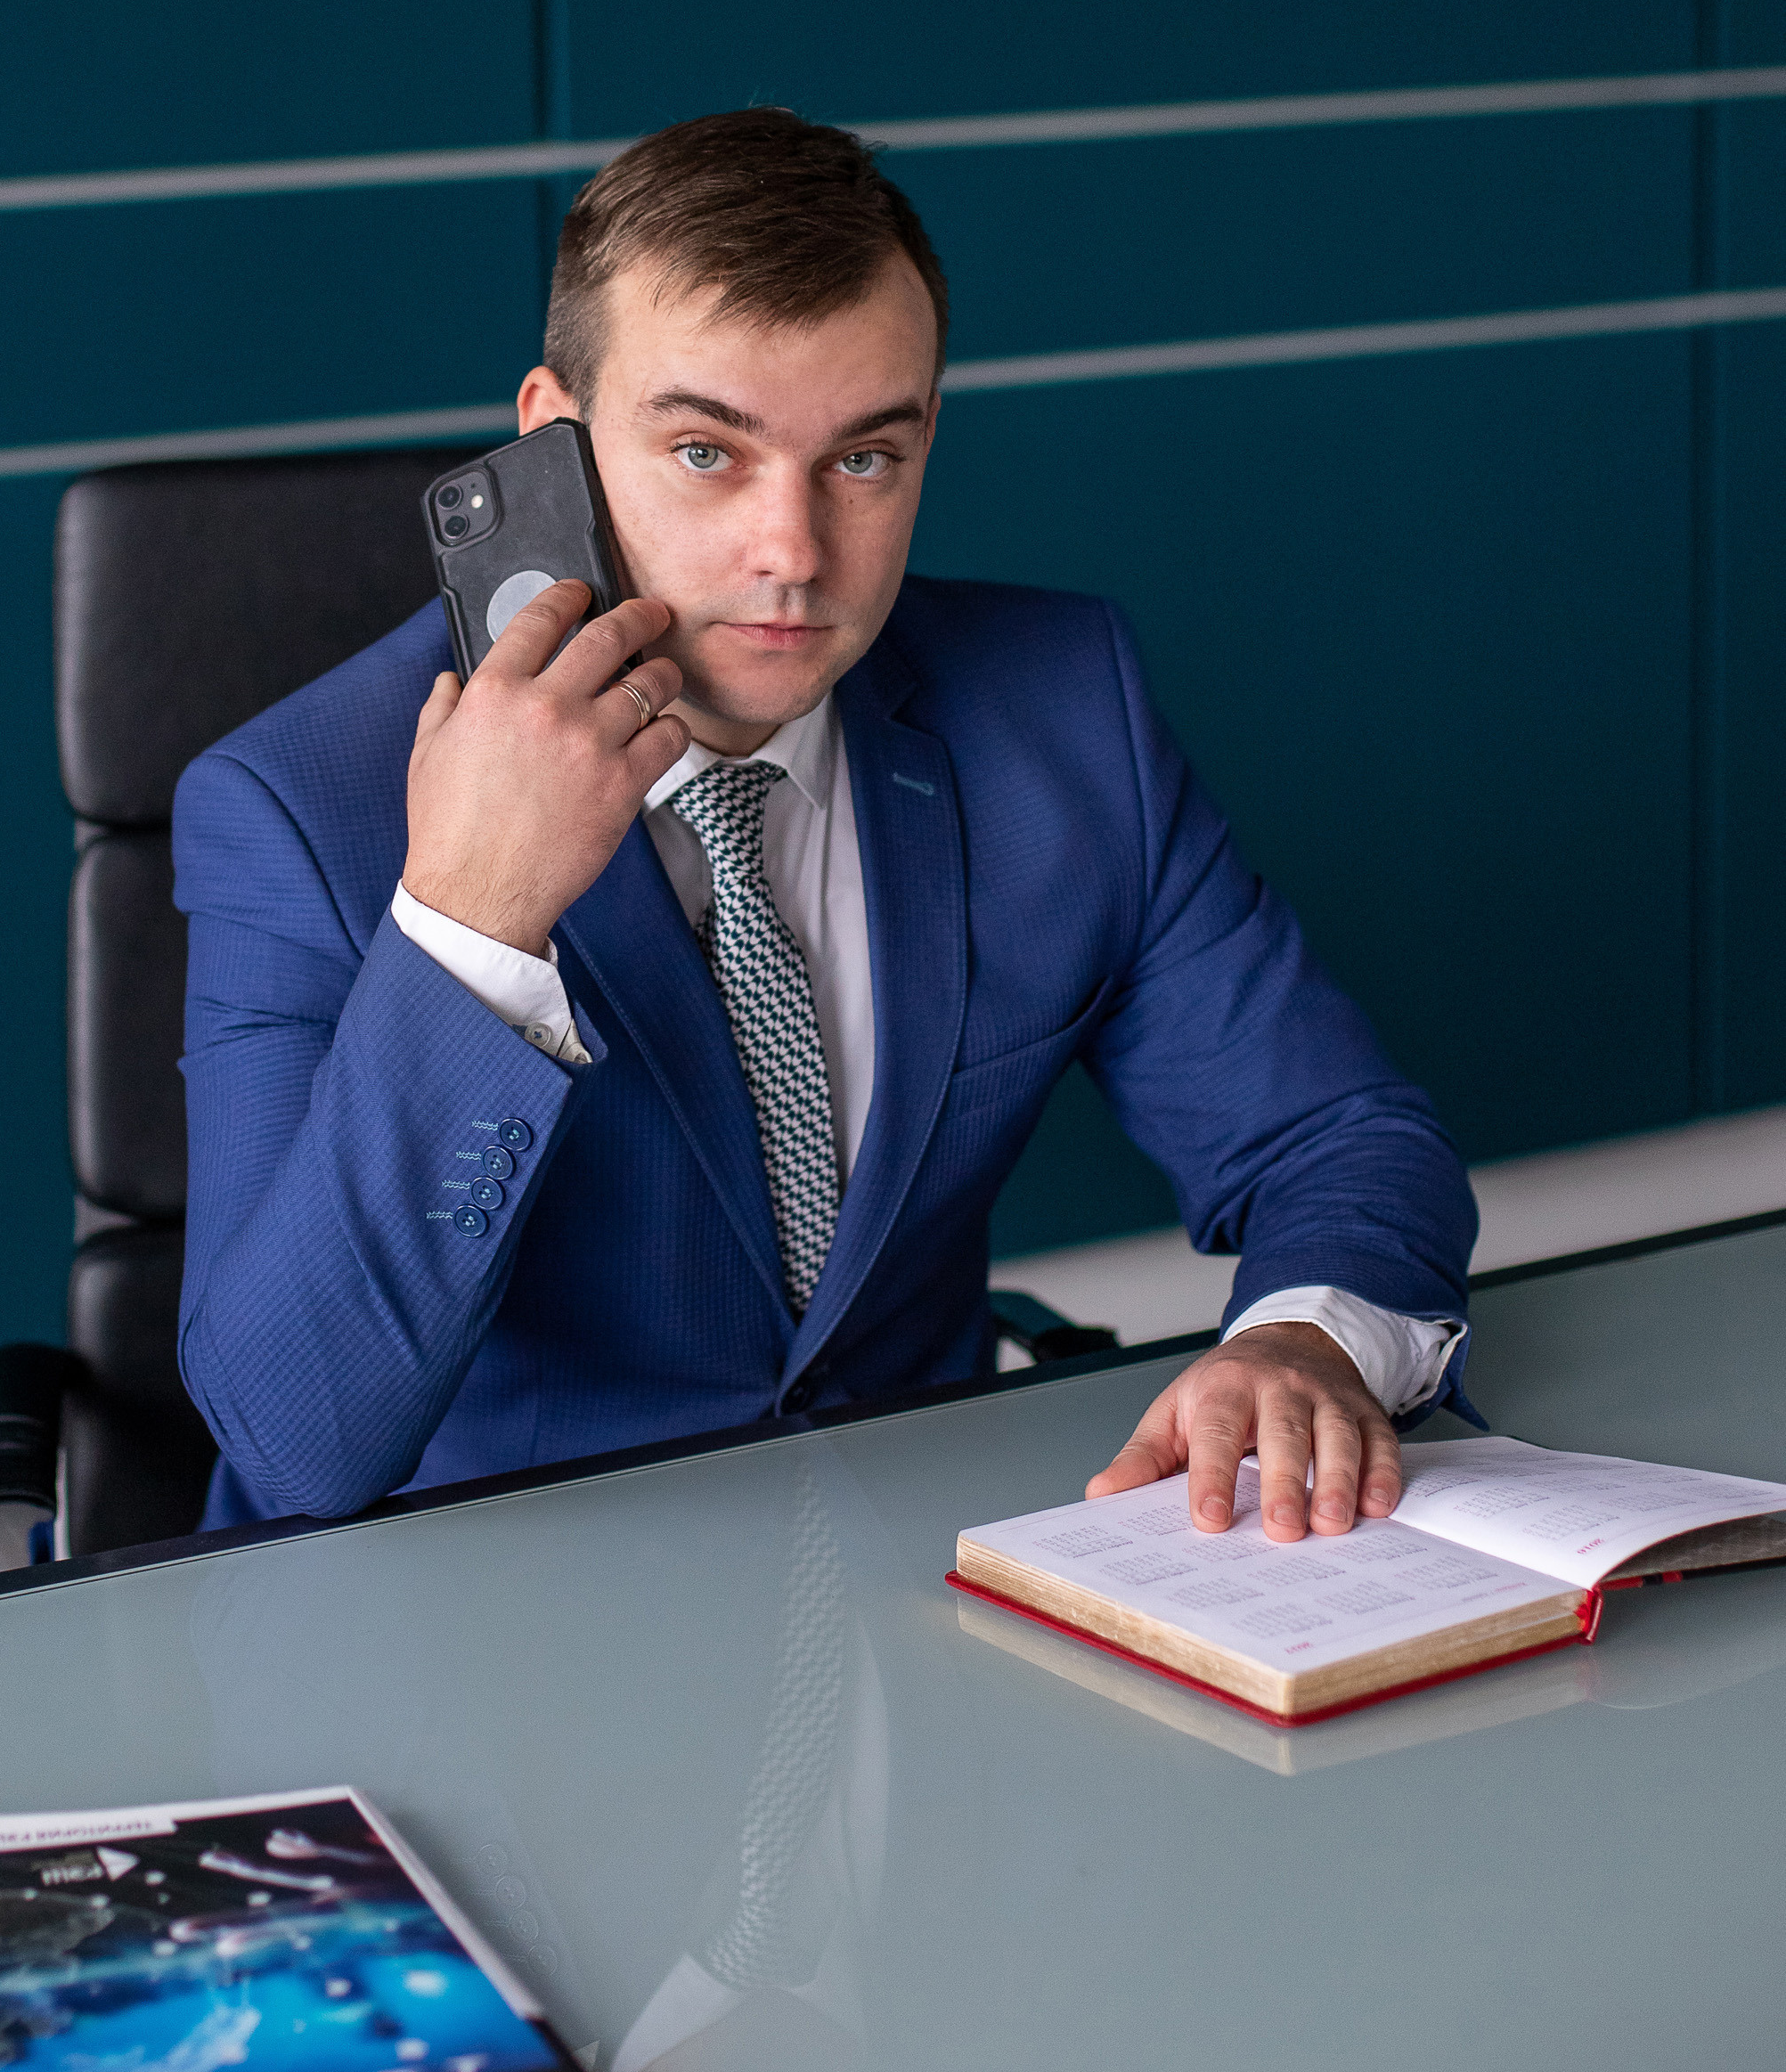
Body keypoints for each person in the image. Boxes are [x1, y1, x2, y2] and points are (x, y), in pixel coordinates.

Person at [173, 108, 1476, 1538]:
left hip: (911, 1579)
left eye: (862, 459)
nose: (792, 553)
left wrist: (1302, 1344)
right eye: (704, 454)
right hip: (495, 1614)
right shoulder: (299, 808)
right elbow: (300, 1446)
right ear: (555, 441)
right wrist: (475, 921)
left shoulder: (1058, 711)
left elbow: (1334, 1138)